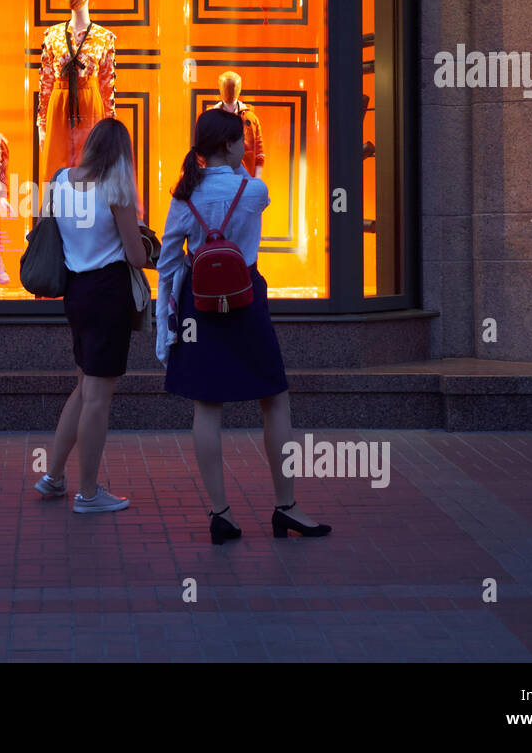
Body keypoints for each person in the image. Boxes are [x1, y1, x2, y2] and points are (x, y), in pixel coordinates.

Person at [155, 109, 331, 544]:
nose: (246, 147)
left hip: (200, 304)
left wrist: (166, 330)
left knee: (206, 406)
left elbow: (167, 265)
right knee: (274, 398)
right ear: (230, 145)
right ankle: (286, 506)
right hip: (246, 298)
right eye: (240, 142)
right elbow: (247, 192)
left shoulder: (183, 196)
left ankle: (221, 514)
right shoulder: (255, 190)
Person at [34, 118, 149, 513]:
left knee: (84, 388)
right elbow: (136, 255)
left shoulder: (60, 181)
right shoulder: (115, 188)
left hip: (76, 292)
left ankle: (54, 476)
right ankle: (87, 493)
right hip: (107, 293)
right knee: (99, 397)